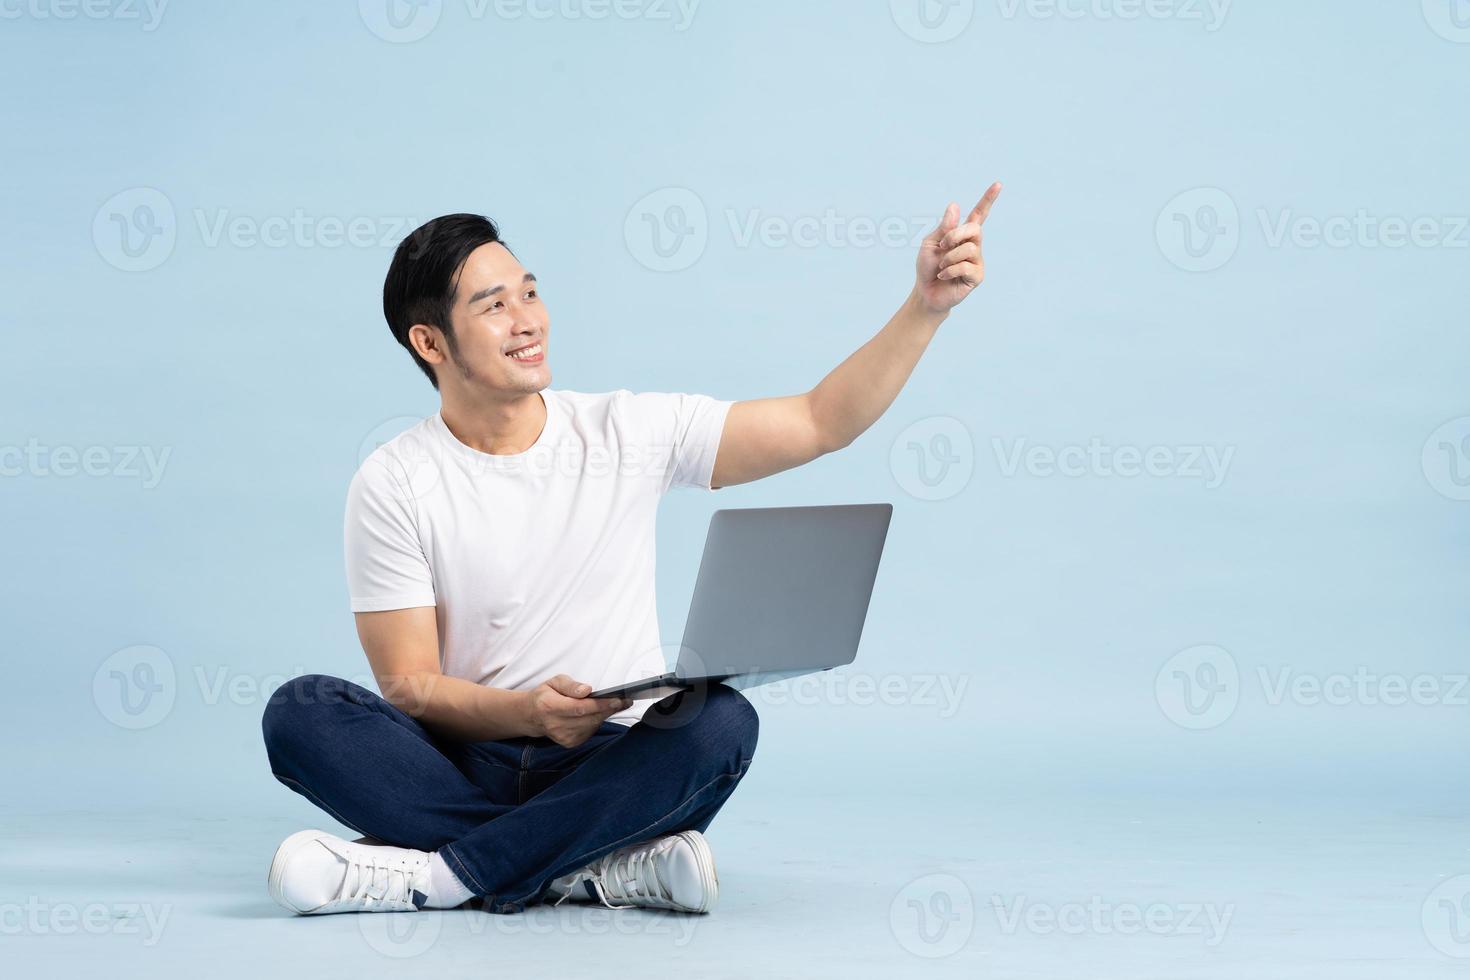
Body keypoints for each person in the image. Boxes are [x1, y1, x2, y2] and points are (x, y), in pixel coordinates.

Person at [260, 183, 1002, 916]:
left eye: (529, 292)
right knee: (300, 711)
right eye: (493, 306)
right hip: (469, 761)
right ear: (430, 342)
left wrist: (924, 308)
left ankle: (444, 875)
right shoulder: (394, 480)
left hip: (617, 762)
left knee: (721, 723)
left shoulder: (626, 430)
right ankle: (590, 867)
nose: (528, 321)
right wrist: (528, 713)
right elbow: (413, 689)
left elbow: (819, 421)